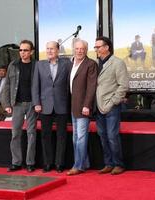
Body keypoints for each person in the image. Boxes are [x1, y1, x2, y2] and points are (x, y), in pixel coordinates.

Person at [32, 41, 71, 173]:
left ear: (58, 50)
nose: (49, 51)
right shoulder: (39, 64)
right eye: (47, 48)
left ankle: (60, 163)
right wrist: (36, 103)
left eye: (52, 49)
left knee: (62, 136)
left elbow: (69, 84)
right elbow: (35, 85)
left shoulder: (66, 64)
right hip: (44, 106)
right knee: (45, 135)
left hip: (62, 105)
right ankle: (48, 163)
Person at [1, 40, 37, 172]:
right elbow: (7, 86)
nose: (22, 53)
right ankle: (16, 162)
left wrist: (38, 103)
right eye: (21, 50)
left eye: (25, 50)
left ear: (31, 52)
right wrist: (6, 104)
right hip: (17, 104)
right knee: (15, 133)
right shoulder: (13, 65)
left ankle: (30, 162)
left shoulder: (36, 65)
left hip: (32, 104)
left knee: (31, 133)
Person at [94, 36, 129, 175]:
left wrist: (114, 101)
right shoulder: (96, 64)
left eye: (98, 47)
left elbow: (123, 85)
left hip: (112, 106)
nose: (95, 49)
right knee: (102, 135)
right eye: (95, 47)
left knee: (112, 136)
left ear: (106, 47)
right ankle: (108, 163)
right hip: (98, 106)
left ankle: (118, 164)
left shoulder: (117, 63)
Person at [67, 39, 98, 176]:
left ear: (86, 50)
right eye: (77, 48)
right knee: (75, 137)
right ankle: (84, 163)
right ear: (74, 49)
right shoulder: (71, 64)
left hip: (83, 107)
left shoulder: (90, 64)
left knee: (81, 138)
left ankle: (78, 165)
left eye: (82, 49)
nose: (80, 51)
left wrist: (87, 105)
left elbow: (92, 87)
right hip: (73, 106)